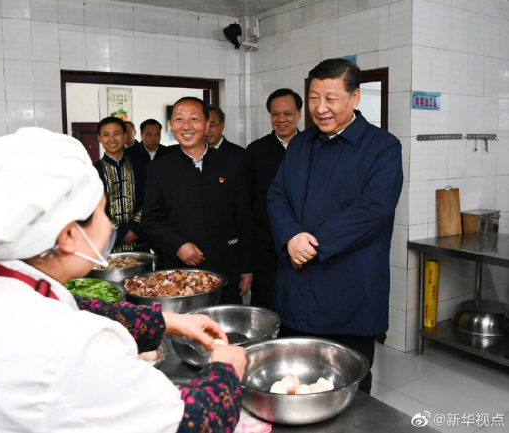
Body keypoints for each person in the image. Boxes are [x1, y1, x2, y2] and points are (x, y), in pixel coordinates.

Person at [0, 127, 246, 432]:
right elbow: (193, 423)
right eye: (102, 212)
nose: (108, 224)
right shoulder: (74, 348)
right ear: (68, 234)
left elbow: (76, 305)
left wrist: (167, 321)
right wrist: (225, 369)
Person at [267, 59, 403, 394]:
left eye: (330, 98)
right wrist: (291, 237)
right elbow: (277, 193)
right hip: (297, 289)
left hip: (349, 292)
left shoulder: (382, 147)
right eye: (314, 98)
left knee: (346, 388)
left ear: (355, 97)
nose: (320, 108)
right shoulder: (301, 144)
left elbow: (374, 209)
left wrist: (312, 244)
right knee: (293, 383)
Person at [142, 97, 254, 305]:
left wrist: (247, 268)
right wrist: (178, 246)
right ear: (172, 125)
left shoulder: (233, 163)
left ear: (207, 124)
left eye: (194, 119)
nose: (186, 126)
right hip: (179, 273)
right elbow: (150, 220)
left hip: (226, 268)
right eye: (179, 119)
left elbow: (244, 217)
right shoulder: (159, 169)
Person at [245, 89, 302, 310]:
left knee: (299, 302)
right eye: (275, 114)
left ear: (299, 114)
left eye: (287, 114)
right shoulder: (256, 151)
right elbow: (247, 200)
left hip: (304, 242)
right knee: (266, 301)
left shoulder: (313, 146)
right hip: (265, 244)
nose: (281, 119)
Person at [94, 116, 150, 253]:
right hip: (107, 245)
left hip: (139, 241)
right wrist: (120, 233)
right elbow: (93, 208)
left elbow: (148, 200)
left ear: (125, 136)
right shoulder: (92, 172)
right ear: (99, 138)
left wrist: (134, 228)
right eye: (106, 135)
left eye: (116, 133)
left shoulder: (140, 167)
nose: (112, 139)